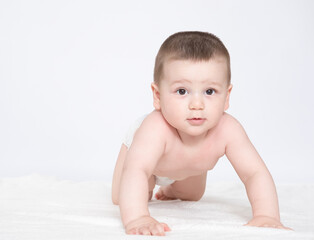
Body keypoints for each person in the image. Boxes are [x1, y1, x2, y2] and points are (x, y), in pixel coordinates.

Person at [112, 31, 290, 236]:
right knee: (124, 195)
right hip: (143, 159)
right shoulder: (153, 129)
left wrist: (267, 215)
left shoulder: (228, 130)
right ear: (158, 96)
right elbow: (137, 170)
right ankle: (151, 188)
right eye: (182, 91)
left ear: (226, 96)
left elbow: (254, 173)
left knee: (191, 196)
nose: (197, 105)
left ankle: (170, 189)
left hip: (188, 166)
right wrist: (138, 217)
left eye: (209, 91)